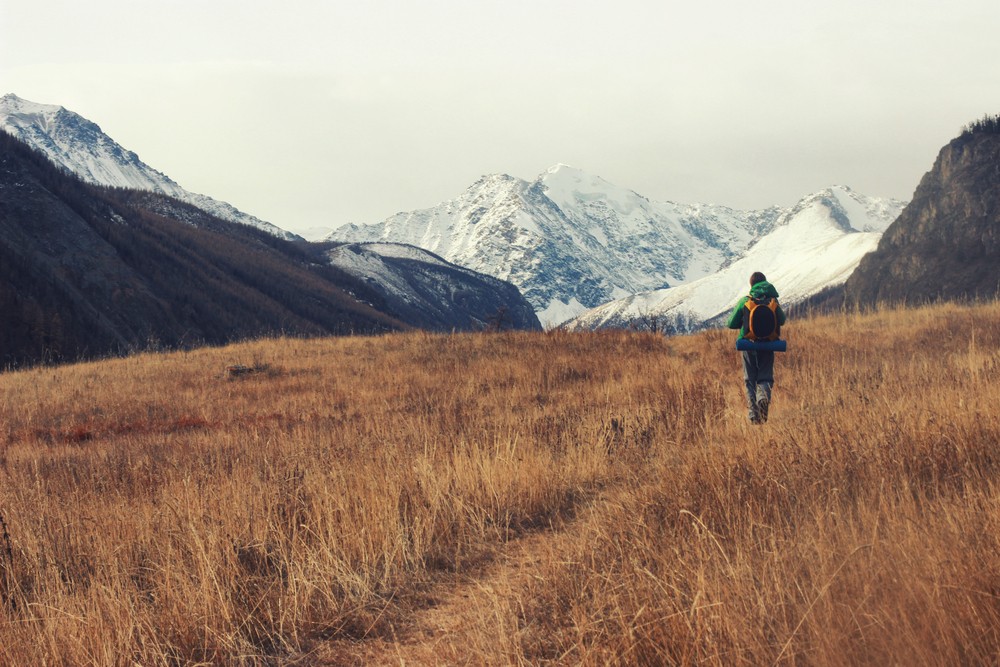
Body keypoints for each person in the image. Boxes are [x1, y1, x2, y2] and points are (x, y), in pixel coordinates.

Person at [726, 272, 787, 424]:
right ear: (765, 283)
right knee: (765, 378)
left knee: (750, 380)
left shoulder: (746, 301)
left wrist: (745, 322)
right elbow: (783, 321)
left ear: (751, 285)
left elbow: (731, 323)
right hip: (768, 344)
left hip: (748, 344)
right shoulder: (773, 301)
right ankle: (763, 398)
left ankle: (754, 416)